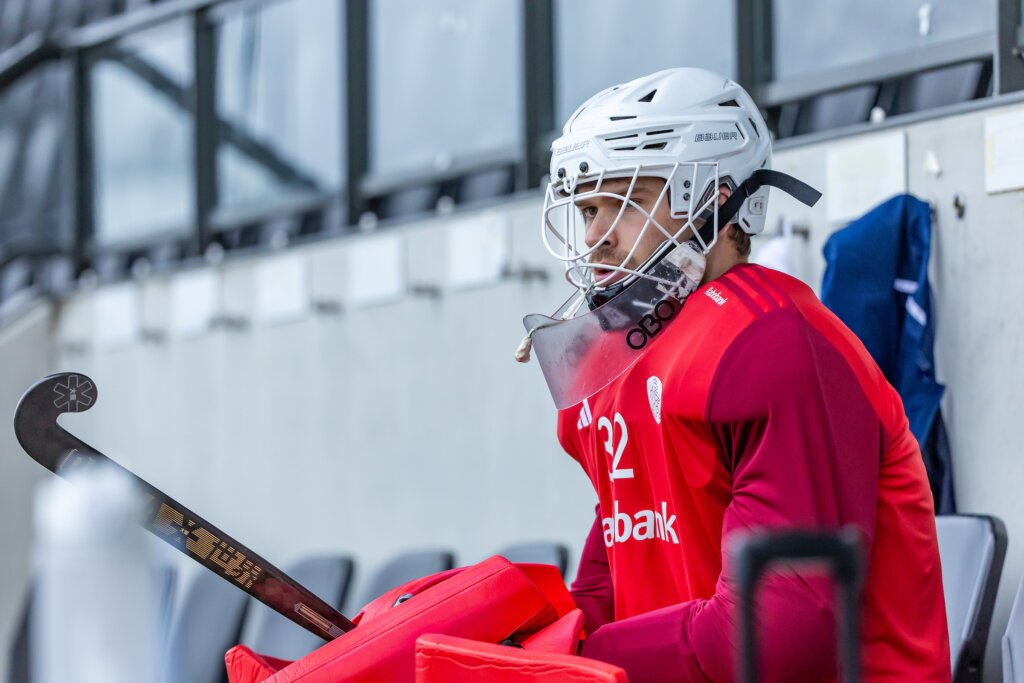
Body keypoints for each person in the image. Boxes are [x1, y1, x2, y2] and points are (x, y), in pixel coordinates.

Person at [522, 68, 950, 681]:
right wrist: (505, 639)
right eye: (588, 208)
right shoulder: (625, 357)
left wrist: (578, 661)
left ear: (716, 200)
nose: (594, 237)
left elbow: (779, 639)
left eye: (623, 204)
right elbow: (606, 589)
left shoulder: (767, 341)